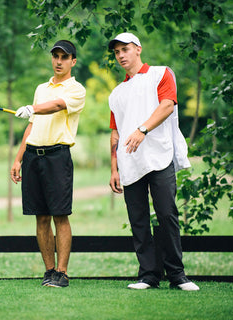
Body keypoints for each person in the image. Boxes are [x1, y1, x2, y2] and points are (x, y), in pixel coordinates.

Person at [107, 32, 199, 291]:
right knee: (138, 218)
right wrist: (114, 168)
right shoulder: (116, 93)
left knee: (167, 214)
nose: (121, 55)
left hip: (159, 156)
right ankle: (148, 275)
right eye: (117, 52)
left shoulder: (160, 74)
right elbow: (115, 132)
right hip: (129, 162)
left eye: (125, 49)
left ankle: (178, 275)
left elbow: (167, 105)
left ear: (138, 49)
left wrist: (142, 129)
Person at [11, 40, 86, 288]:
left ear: (73, 61)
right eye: (55, 56)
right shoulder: (41, 88)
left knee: (60, 216)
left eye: (64, 57)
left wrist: (32, 107)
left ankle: (62, 273)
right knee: (40, 217)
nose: (58, 61)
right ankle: (49, 270)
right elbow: (32, 124)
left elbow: (56, 106)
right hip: (33, 155)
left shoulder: (76, 89)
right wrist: (19, 157)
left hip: (57, 156)